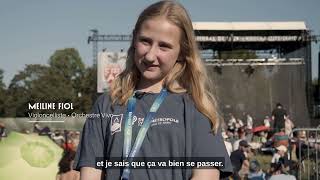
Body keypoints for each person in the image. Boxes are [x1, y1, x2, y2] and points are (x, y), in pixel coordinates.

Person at [74, 1, 233, 180]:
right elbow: (90, 175)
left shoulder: (198, 106)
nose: (150, 55)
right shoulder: (106, 105)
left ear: (182, 51)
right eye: (145, 41)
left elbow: (207, 176)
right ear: (134, 39)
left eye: (164, 46)